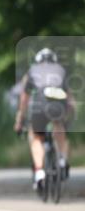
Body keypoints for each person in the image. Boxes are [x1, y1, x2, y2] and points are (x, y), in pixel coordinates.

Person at [15, 48, 76, 190]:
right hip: (58, 104)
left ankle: (39, 171)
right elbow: (71, 101)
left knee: (36, 137)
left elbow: (24, 99)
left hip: (40, 104)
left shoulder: (31, 71)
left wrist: (19, 120)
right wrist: (69, 117)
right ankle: (61, 159)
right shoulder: (61, 70)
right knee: (58, 125)